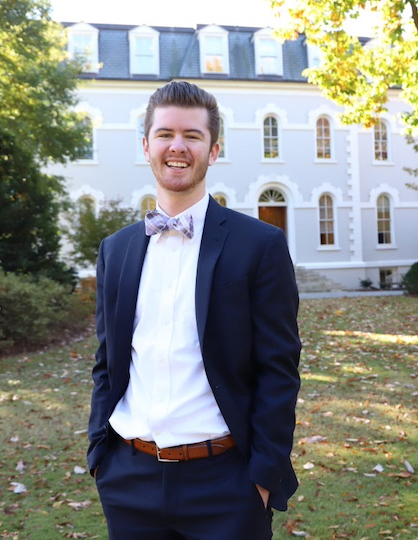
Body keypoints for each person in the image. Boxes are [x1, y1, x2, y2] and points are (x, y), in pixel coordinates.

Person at [86, 80, 302, 539]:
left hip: (226, 485)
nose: (177, 147)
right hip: (128, 480)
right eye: (164, 134)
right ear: (146, 146)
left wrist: (262, 478)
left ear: (214, 149)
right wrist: (99, 455)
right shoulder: (116, 250)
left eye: (192, 135)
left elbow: (279, 369)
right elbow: (107, 361)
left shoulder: (259, 245)